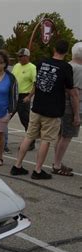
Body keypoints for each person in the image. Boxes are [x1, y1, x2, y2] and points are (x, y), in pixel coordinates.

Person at [11, 40, 78, 180]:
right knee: (46, 140)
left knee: (29, 136)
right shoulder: (66, 67)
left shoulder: (41, 63)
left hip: (37, 107)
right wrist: (76, 114)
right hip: (52, 111)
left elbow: (37, 83)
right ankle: (38, 170)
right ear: (66, 52)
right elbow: (71, 91)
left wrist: (31, 96)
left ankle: (17, 166)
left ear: (54, 48)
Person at [52, 42, 82, 176]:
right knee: (67, 137)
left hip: (61, 105)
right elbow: (75, 93)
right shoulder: (79, 69)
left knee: (60, 136)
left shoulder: (68, 65)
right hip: (71, 107)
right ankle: (57, 164)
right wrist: (77, 114)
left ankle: (57, 162)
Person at [12, 48, 37, 150]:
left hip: (24, 97)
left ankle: (31, 142)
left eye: (21, 56)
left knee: (25, 120)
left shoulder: (32, 68)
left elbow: (36, 84)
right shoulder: (16, 66)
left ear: (27, 57)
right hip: (13, 95)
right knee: (5, 117)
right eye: (18, 56)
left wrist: (29, 97)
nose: (19, 58)